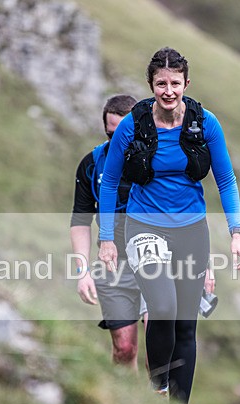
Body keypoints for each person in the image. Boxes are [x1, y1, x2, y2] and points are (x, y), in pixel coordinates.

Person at [97, 47, 240, 404]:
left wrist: (236, 234)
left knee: (185, 324)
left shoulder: (205, 123)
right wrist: (106, 238)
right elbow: (109, 181)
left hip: (191, 230)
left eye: (175, 83)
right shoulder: (133, 124)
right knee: (162, 307)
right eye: (161, 83)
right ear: (151, 85)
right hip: (144, 225)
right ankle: (159, 388)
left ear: (186, 83)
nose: (168, 91)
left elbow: (225, 181)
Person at [70, 94, 147, 369]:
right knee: (124, 349)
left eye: (122, 134)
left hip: (158, 262)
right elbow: (80, 221)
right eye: (109, 133)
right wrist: (82, 272)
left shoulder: (160, 161)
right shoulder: (92, 164)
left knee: (160, 342)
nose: (115, 141)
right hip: (112, 267)